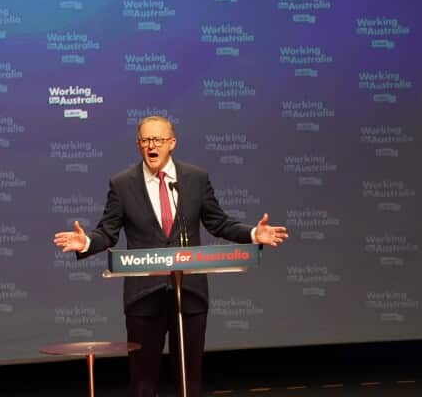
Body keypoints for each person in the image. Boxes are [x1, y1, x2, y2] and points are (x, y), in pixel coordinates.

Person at [53, 116, 288, 397]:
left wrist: (252, 234)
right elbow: (108, 232)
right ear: (138, 145)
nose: (151, 146)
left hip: (189, 294)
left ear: (172, 143)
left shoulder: (195, 179)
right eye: (145, 140)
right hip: (143, 297)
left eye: (158, 140)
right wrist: (86, 242)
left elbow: (219, 223)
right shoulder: (122, 184)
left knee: (190, 382)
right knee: (143, 384)